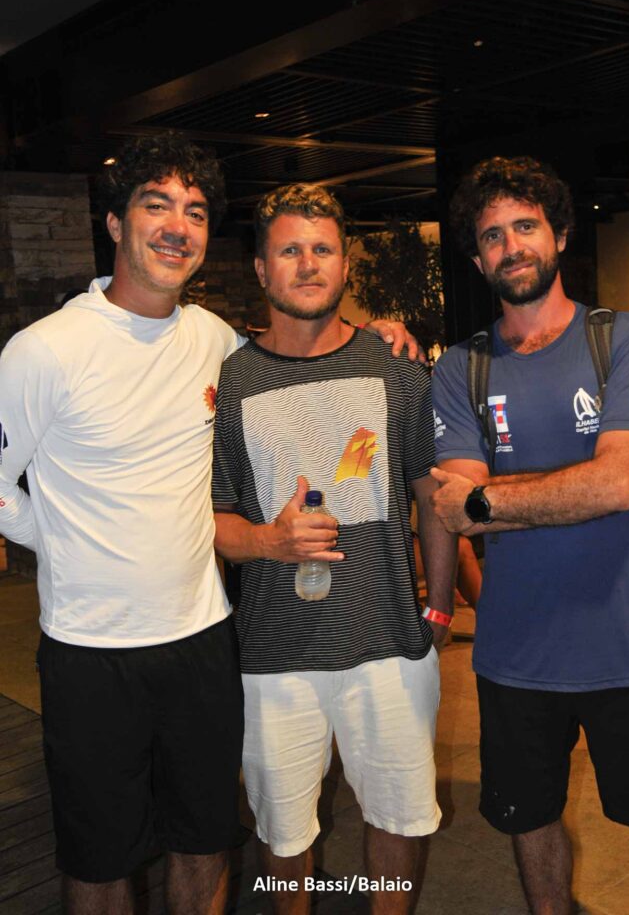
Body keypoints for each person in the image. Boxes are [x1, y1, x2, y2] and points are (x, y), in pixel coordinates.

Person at [0, 135, 418, 915]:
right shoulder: (46, 350)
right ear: (115, 223)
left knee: (205, 842)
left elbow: (296, 355)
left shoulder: (214, 342)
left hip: (203, 640)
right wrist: (49, 533)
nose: (177, 226)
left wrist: (380, 335)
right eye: (156, 205)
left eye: (194, 211)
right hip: (91, 653)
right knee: (100, 860)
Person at [212, 182, 457, 914]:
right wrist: (269, 540)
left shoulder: (397, 368)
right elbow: (215, 519)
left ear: (346, 262)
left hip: (388, 643)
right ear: (262, 268)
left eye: (322, 248)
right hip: (274, 653)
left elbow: (431, 495)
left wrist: (439, 608)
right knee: (283, 835)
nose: (308, 263)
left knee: (399, 820)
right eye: (289, 250)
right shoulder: (233, 380)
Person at [430, 155, 629, 915]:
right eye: (492, 235)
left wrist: (493, 498)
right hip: (515, 654)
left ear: (559, 235)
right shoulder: (460, 368)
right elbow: (453, 508)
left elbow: (618, 483)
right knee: (529, 822)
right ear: (477, 259)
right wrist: (587, 484)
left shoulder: (626, 339)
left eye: (525, 226)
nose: (511, 246)